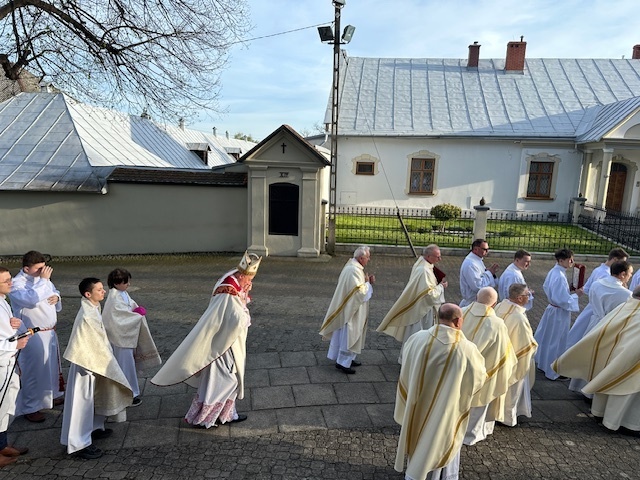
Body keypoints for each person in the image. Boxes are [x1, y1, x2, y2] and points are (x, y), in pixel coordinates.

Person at [151, 251, 261, 428]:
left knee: (223, 380)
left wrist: (244, 294)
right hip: (223, 344)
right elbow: (236, 319)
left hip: (223, 339)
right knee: (227, 380)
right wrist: (246, 311)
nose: (250, 283)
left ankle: (226, 415)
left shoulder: (229, 279)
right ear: (241, 275)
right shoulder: (229, 291)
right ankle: (205, 418)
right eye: (248, 280)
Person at [394, 303, 486, 480]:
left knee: (417, 435)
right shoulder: (466, 349)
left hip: (416, 402)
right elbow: (478, 379)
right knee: (440, 439)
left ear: (438, 317)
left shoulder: (417, 338)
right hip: (446, 408)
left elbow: (406, 365)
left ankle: (414, 471)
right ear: (458, 321)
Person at [61, 278, 133, 459]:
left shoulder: (92, 307)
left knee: (94, 398)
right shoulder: (87, 315)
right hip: (86, 365)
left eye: (102, 289)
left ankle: (94, 428)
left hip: (95, 362)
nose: (104, 292)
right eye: (99, 290)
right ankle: (78, 444)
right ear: (88, 294)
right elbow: (86, 343)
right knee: (82, 404)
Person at [553, 288, 640, 434]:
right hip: (629, 363)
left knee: (609, 381)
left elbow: (603, 329)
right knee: (624, 390)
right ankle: (623, 424)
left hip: (612, 356)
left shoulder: (624, 307)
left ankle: (600, 413)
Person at [9, 251, 64, 423]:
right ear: (26, 268)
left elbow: (53, 291)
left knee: (51, 367)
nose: (42, 272)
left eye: (43, 268)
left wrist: (57, 297)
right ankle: (31, 406)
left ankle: (51, 395)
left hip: (49, 331)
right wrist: (44, 280)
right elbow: (31, 300)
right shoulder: (16, 284)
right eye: (38, 269)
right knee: (34, 371)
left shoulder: (42, 280)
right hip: (33, 333)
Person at [461, 287, 517, 445]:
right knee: (479, 400)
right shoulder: (497, 323)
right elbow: (503, 350)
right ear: (494, 304)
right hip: (482, 369)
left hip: (459, 366)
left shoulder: (462, 311)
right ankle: (471, 435)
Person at [568, 260, 633, 396]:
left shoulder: (597, 284)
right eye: (630, 274)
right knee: (602, 359)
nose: (630, 276)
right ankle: (593, 392)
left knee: (589, 355)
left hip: (594, 323)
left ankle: (580, 385)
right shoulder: (626, 294)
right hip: (610, 328)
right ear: (622, 274)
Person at [376, 244, 447, 362]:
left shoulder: (423, 264)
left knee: (415, 335)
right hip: (421, 310)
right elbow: (429, 295)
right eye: (437, 256)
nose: (440, 259)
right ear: (428, 256)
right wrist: (441, 287)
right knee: (419, 335)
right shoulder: (423, 270)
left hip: (419, 306)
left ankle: (411, 359)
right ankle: (413, 361)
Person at [102, 268, 161, 406]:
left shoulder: (123, 294)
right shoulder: (114, 298)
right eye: (125, 282)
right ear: (117, 283)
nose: (128, 284)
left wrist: (135, 310)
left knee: (129, 366)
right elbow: (118, 317)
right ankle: (128, 394)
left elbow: (129, 307)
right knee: (125, 366)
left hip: (126, 336)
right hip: (120, 338)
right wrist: (136, 315)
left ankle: (130, 391)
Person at [320, 246, 375, 374]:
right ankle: (343, 362)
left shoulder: (353, 266)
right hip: (350, 311)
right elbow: (358, 293)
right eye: (367, 257)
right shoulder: (353, 270)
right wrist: (368, 284)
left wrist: (366, 282)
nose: (369, 259)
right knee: (349, 334)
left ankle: (348, 359)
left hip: (350, 308)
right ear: (361, 258)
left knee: (347, 334)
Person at [566, 248, 628, 352]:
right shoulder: (607, 275)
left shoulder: (598, 269)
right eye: (623, 261)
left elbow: (587, 287)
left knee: (579, 331)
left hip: (593, 306)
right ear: (615, 259)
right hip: (600, 308)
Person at [534, 248, 583, 380]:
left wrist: (569, 290)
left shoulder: (555, 271)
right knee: (556, 340)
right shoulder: (559, 276)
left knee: (547, 337)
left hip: (552, 309)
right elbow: (562, 299)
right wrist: (576, 295)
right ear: (561, 260)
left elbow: (547, 288)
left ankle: (543, 364)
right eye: (569, 259)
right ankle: (553, 371)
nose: (572, 262)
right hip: (559, 312)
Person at [494, 283, 538, 426]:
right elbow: (525, 344)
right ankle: (508, 418)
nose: (529, 297)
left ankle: (496, 413)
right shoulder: (518, 317)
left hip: (498, 356)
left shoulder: (500, 306)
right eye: (527, 295)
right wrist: (534, 347)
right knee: (513, 388)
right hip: (515, 358)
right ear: (519, 298)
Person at [0, 267, 29, 467]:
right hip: (2, 360)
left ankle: (2, 445)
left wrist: (13, 325)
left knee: (6, 406)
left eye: (10, 279)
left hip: (8, 361)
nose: (11, 283)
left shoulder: (3, 300)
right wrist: (13, 344)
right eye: (5, 281)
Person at [459, 239, 499, 307]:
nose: (487, 251)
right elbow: (477, 286)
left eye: (488, 249)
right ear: (476, 249)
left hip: (478, 302)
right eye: (484, 249)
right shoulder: (470, 264)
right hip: (471, 303)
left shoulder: (477, 260)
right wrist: (489, 273)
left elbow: (481, 276)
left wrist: (488, 272)